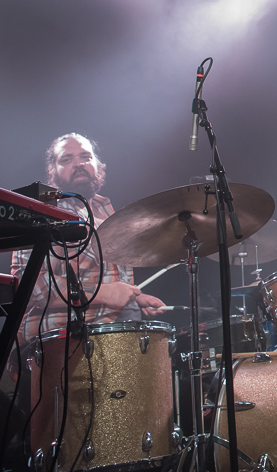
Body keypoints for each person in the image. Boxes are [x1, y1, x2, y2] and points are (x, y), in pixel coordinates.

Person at [9, 133, 165, 342]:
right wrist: (104, 294)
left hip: (117, 333)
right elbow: (31, 285)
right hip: (60, 339)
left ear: (98, 165)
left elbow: (114, 282)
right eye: (66, 159)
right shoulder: (40, 213)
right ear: (51, 170)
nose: (78, 164)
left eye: (85, 156)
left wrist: (134, 298)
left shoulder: (109, 212)